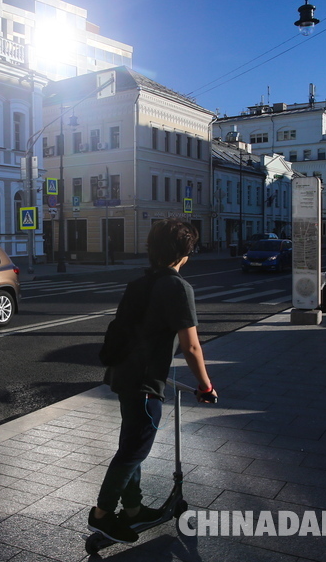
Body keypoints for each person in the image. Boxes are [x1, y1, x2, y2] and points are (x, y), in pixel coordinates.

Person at [88, 218, 217, 544]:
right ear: (185, 252)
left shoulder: (139, 283)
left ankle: (132, 509)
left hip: (123, 376)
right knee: (133, 451)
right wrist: (206, 386)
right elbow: (191, 346)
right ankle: (102, 515)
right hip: (145, 383)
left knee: (131, 445)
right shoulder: (178, 287)